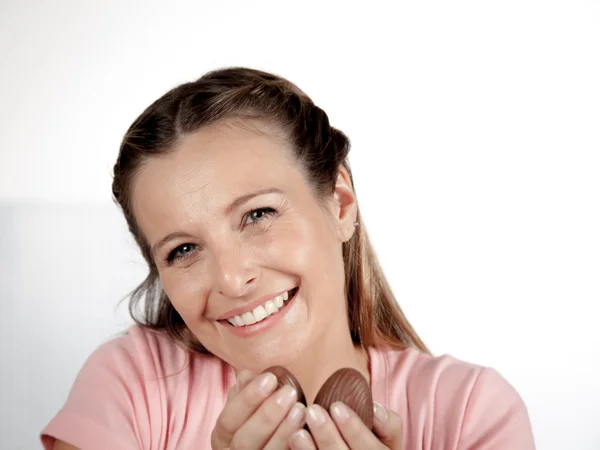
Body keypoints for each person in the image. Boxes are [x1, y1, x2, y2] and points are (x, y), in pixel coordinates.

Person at [40, 68, 535, 449]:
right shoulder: (132, 384)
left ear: (340, 204)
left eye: (258, 214)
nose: (232, 280)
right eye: (183, 250)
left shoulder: (470, 411)